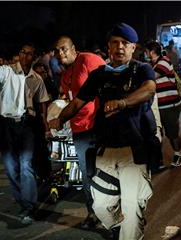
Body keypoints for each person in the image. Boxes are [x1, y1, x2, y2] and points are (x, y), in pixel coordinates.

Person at [49, 23, 156, 240]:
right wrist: (60, 119)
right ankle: (121, 225)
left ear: (133, 47)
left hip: (133, 152)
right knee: (101, 207)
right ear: (108, 47)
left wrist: (122, 103)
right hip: (105, 151)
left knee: (131, 211)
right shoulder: (99, 75)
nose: (120, 47)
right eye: (115, 43)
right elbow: (78, 102)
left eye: (125, 43)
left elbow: (149, 89)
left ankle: (131, 230)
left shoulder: (141, 69)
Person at [0, 43, 50, 225]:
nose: (24, 56)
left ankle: (28, 207)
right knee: (9, 166)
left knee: (25, 164)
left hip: (27, 124)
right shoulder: (7, 71)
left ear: (34, 58)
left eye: (29, 54)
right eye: (22, 51)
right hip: (5, 124)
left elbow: (42, 105)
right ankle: (23, 201)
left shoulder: (37, 79)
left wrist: (46, 127)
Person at [54, 35, 105, 229]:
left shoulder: (88, 60)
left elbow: (107, 81)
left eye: (64, 49)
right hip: (79, 130)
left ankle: (114, 211)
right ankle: (93, 213)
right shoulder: (66, 75)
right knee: (87, 175)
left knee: (106, 171)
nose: (60, 53)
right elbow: (69, 100)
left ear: (73, 48)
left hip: (97, 126)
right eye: (57, 51)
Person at [145, 40, 181, 167]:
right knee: (157, 133)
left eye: (146, 51)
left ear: (151, 52)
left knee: (172, 133)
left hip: (170, 104)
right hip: (158, 105)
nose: (144, 53)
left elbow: (151, 77)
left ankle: (178, 155)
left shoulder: (164, 62)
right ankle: (159, 160)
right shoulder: (153, 64)